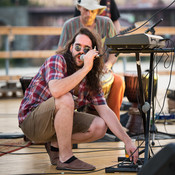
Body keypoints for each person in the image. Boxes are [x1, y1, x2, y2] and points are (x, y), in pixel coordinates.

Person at [18, 28, 138, 171]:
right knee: (65, 97)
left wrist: (127, 140)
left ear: (93, 54)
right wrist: (85, 69)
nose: (81, 52)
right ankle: (66, 158)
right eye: (77, 47)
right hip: (32, 122)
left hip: (53, 124)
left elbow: (105, 110)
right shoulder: (57, 60)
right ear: (70, 48)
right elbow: (56, 90)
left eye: (86, 49)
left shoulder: (91, 79)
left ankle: (55, 146)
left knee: (100, 126)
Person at [58, 0, 125, 121]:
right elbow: (60, 51)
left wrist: (108, 64)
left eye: (92, 11)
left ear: (98, 11)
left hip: (100, 69)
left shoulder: (107, 23)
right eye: (86, 10)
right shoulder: (69, 25)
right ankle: (73, 121)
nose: (88, 13)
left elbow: (115, 50)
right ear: (79, 8)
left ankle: (113, 124)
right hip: (76, 71)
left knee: (119, 82)